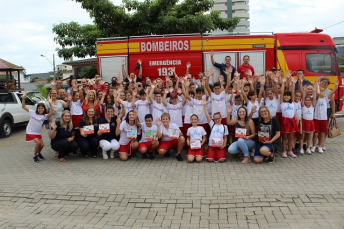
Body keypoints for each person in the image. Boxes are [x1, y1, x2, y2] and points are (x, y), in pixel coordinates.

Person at [22, 91, 54, 162]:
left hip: (37, 132)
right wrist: (23, 97)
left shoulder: (44, 116)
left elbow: (52, 112)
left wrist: (50, 103)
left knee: (42, 145)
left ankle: (38, 153)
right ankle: (34, 156)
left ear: (44, 109)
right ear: (37, 109)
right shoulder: (32, 113)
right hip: (30, 131)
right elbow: (23, 106)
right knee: (38, 143)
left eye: (42, 108)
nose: (40, 109)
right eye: (39, 108)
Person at [311, 80, 339, 153]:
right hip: (316, 118)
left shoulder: (325, 99)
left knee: (323, 133)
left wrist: (335, 86)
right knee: (316, 133)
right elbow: (316, 93)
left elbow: (331, 93)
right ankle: (313, 146)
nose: (324, 94)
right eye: (322, 92)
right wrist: (317, 86)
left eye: (324, 92)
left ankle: (320, 146)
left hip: (323, 119)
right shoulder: (317, 100)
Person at [280, 74, 298, 158]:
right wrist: (283, 83)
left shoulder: (293, 103)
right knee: (284, 137)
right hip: (285, 121)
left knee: (291, 136)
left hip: (292, 121)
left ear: (291, 97)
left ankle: (290, 150)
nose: (286, 96)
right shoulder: (282, 103)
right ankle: (284, 151)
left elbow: (293, 92)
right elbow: (282, 92)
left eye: (288, 95)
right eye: (285, 95)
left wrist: (293, 84)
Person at [300, 85, 316, 155]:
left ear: (311, 101)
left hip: (310, 122)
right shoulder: (303, 105)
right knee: (302, 136)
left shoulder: (312, 106)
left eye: (309, 100)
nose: (307, 101)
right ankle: (301, 148)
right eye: (306, 100)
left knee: (309, 136)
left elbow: (314, 99)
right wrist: (304, 91)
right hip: (304, 122)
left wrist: (315, 91)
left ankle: (308, 148)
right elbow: (303, 99)